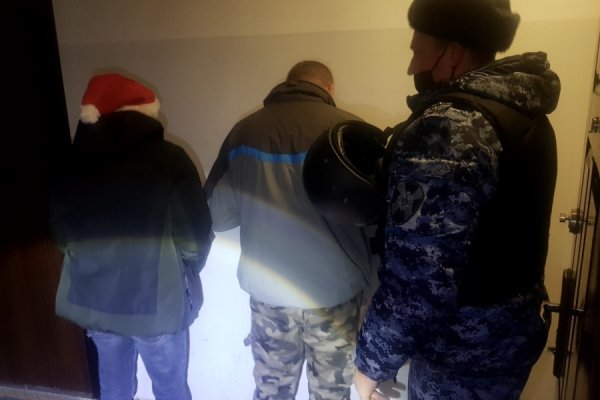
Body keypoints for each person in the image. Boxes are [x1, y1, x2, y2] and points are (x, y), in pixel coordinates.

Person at [353, 1, 561, 399]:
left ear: (451, 53)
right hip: (507, 343)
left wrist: (368, 368)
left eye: (417, 51)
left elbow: (417, 284)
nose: (411, 68)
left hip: (458, 362)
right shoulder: (525, 110)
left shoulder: (447, 129)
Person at [204, 60, 377, 400]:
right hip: (334, 296)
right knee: (331, 393)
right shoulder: (350, 131)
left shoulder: (244, 132)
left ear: (288, 83)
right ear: (329, 88)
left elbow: (218, 215)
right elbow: (376, 221)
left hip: (270, 297)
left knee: (271, 391)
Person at [49, 73, 213, 400]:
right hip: (154, 306)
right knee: (171, 390)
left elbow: (61, 237)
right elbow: (193, 241)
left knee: (114, 389)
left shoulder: (69, 164)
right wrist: (188, 270)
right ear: (143, 114)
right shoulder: (171, 160)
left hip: (96, 302)